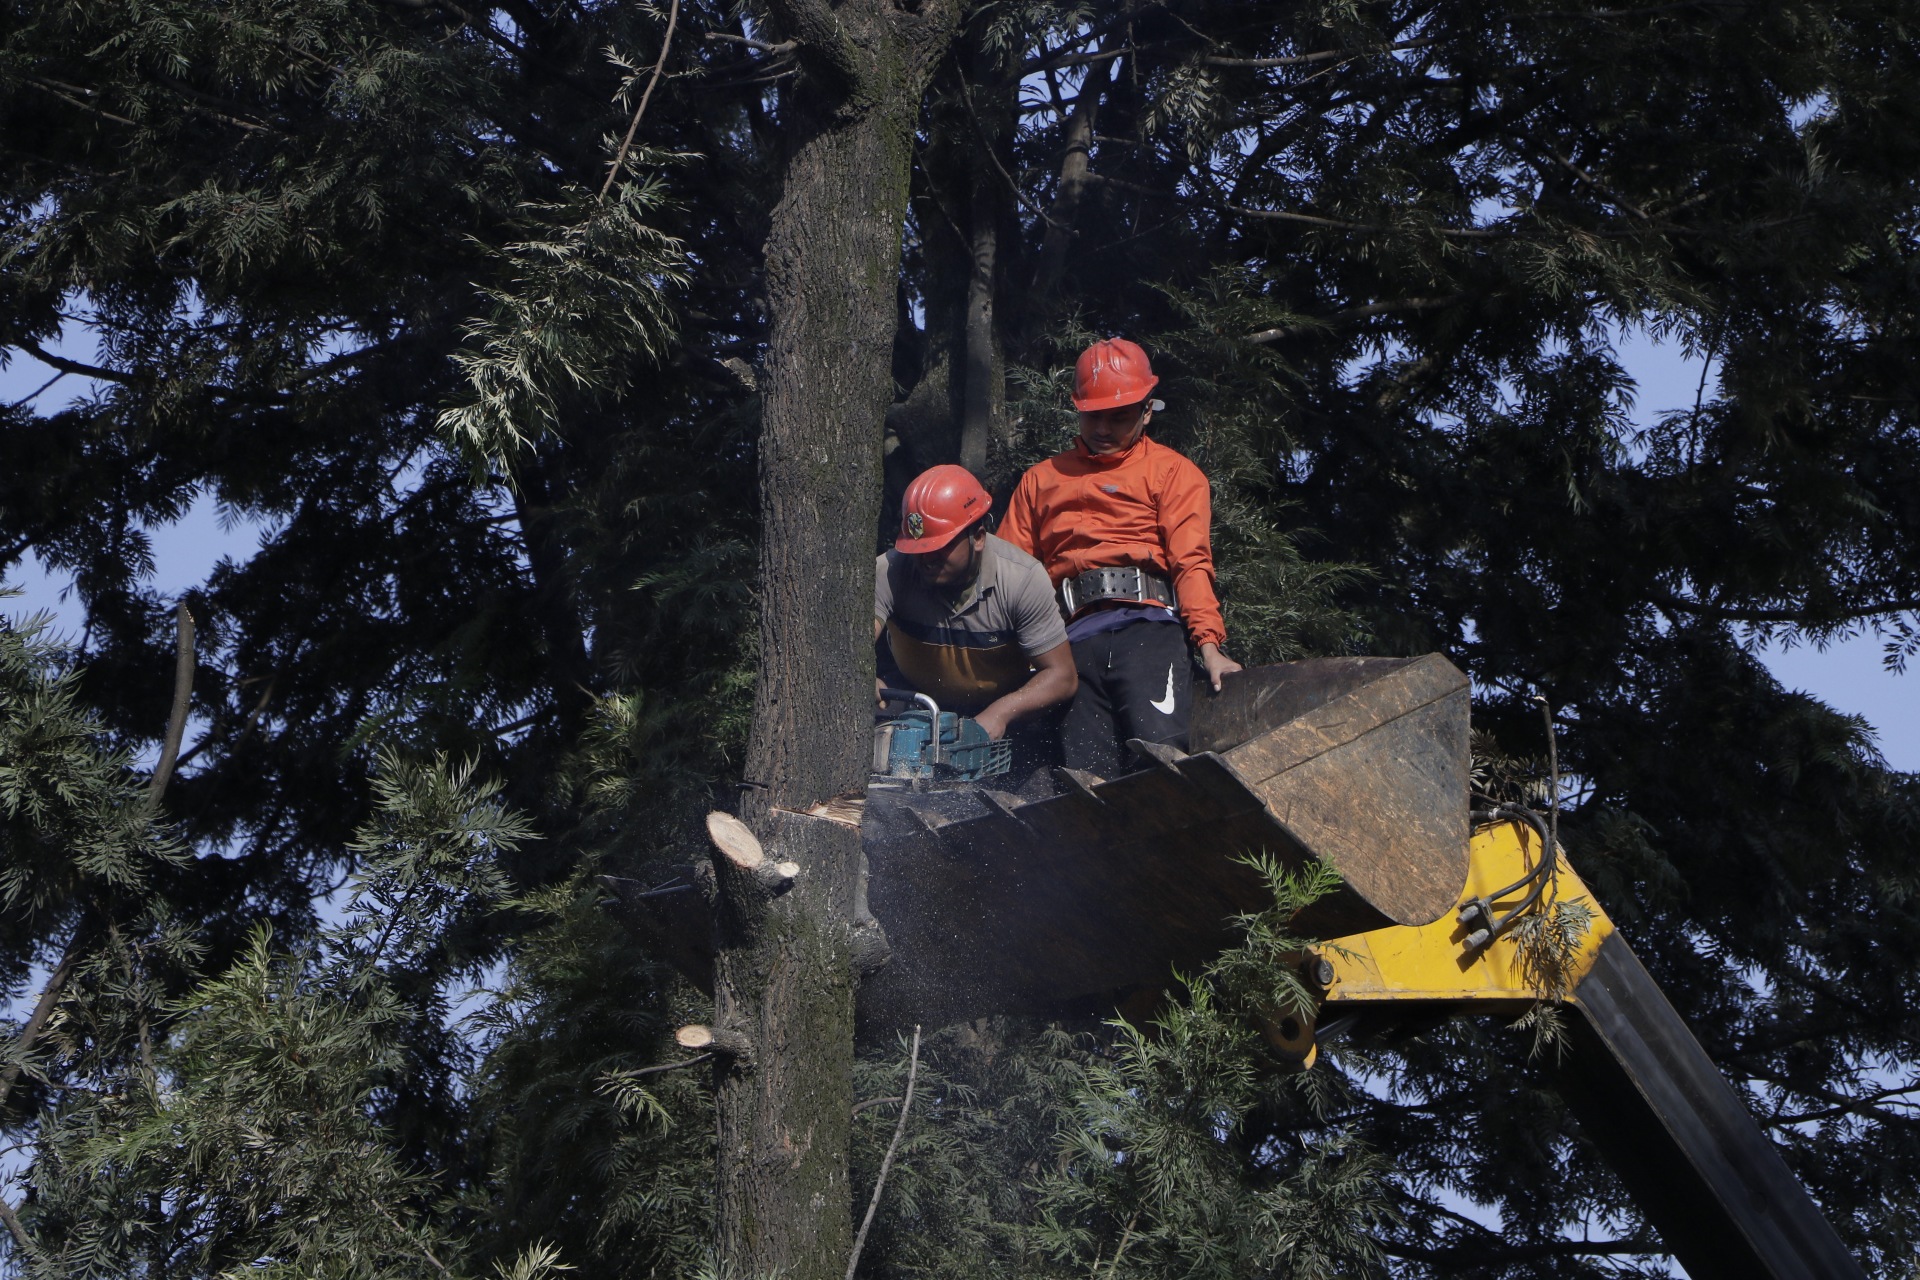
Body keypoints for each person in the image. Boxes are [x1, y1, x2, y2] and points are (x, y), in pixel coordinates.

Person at [1000, 337, 1243, 778]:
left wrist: (1210, 648)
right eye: (1094, 414)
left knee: (1163, 764)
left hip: (1148, 633)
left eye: (1120, 416)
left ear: (1148, 411)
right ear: (1077, 408)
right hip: (1069, 651)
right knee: (1083, 780)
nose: (1104, 428)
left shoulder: (1173, 473)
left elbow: (1191, 563)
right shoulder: (1040, 480)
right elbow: (1007, 581)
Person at [875, 465, 1077, 784]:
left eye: (939, 547)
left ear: (978, 537)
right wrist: (862, 679)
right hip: (917, 706)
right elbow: (853, 643)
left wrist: (1000, 715)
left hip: (1006, 721)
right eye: (919, 548)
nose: (926, 559)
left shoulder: (1022, 580)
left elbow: (1062, 676)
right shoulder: (890, 571)